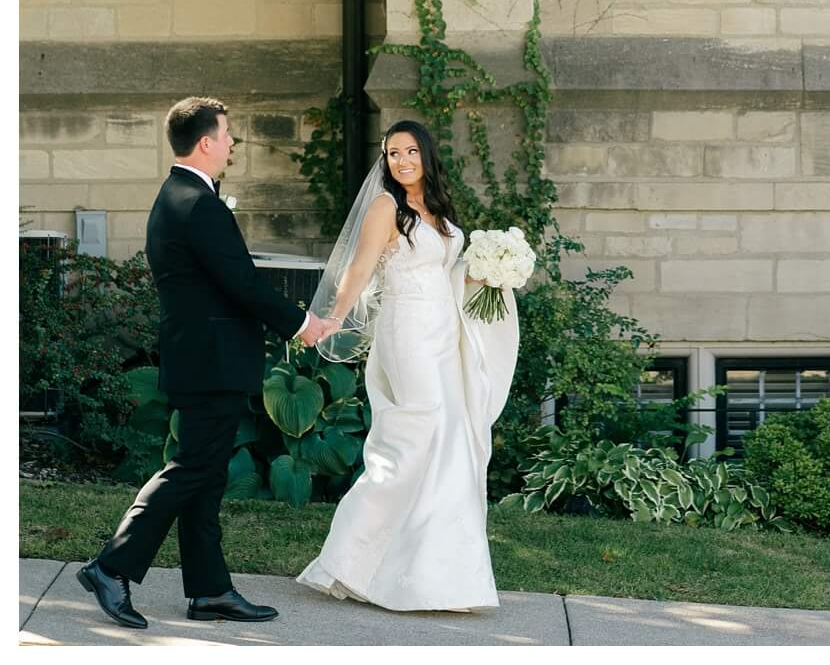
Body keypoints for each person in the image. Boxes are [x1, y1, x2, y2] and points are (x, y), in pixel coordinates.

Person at [79, 97, 337, 630]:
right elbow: (242, 283)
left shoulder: (180, 197)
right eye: (227, 134)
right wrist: (302, 323)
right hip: (210, 362)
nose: (232, 143)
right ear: (205, 143)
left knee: (205, 476)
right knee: (192, 469)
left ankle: (210, 590)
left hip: (203, 359)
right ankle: (112, 565)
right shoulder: (197, 203)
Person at [295, 120, 518, 611]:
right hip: (407, 335)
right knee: (414, 440)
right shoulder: (385, 206)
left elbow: (448, 273)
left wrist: (493, 270)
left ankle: (438, 577)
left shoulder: (437, 210)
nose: (401, 160)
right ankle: (348, 561)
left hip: (445, 335)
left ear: (426, 155)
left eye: (410, 151)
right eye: (392, 152)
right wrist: (333, 316)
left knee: (452, 442)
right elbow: (360, 266)